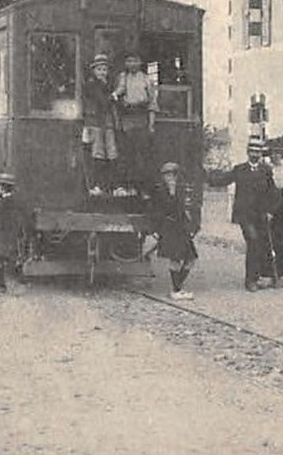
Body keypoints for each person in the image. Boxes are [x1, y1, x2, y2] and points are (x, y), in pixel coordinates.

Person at [225, 136, 276, 291]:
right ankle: (250, 280)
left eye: (258, 151)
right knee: (253, 241)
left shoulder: (266, 170)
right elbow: (223, 179)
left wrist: (270, 211)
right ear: (248, 152)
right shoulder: (239, 169)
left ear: (261, 153)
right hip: (245, 215)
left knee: (262, 244)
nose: (255, 153)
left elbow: (271, 192)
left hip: (260, 214)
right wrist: (204, 176)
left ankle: (265, 276)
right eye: (252, 150)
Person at [149, 162, 198, 300]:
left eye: (172, 174)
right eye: (166, 174)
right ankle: (177, 290)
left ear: (176, 175)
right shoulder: (159, 191)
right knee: (175, 259)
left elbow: (186, 208)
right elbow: (160, 210)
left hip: (181, 227)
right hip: (169, 227)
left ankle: (178, 288)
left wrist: (191, 226)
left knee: (190, 259)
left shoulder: (181, 189)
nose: (169, 177)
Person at [111, 52, 158, 196]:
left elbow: (152, 103)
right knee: (127, 154)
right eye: (129, 61)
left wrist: (151, 124)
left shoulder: (146, 79)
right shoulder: (122, 78)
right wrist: (118, 121)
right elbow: (116, 100)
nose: (132, 64)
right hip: (126, 120)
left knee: (141, 155)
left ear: (140, 62)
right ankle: (127, 187)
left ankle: (142, 188)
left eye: (135, 61)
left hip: (142, 119)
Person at [0, 172, 33, 295]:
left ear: (6, 186)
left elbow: (2, 211)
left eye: (2, 185)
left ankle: (21, 283)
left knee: (13, 258)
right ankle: (1, 287)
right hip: (0, 231)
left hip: (10, 232)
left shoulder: (12, 199)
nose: (0, 187)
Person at [81, 54, 119, 197]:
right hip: (96, 124)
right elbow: (102, 102)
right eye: (99, 69)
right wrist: (113, 96)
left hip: (108, 124)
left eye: (104, 69)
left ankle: (111, 186)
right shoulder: (92, 84)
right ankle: (98, 185)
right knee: (98, 154)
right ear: (94, 71)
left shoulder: (107, 84)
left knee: (111, 154)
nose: (102, 72)